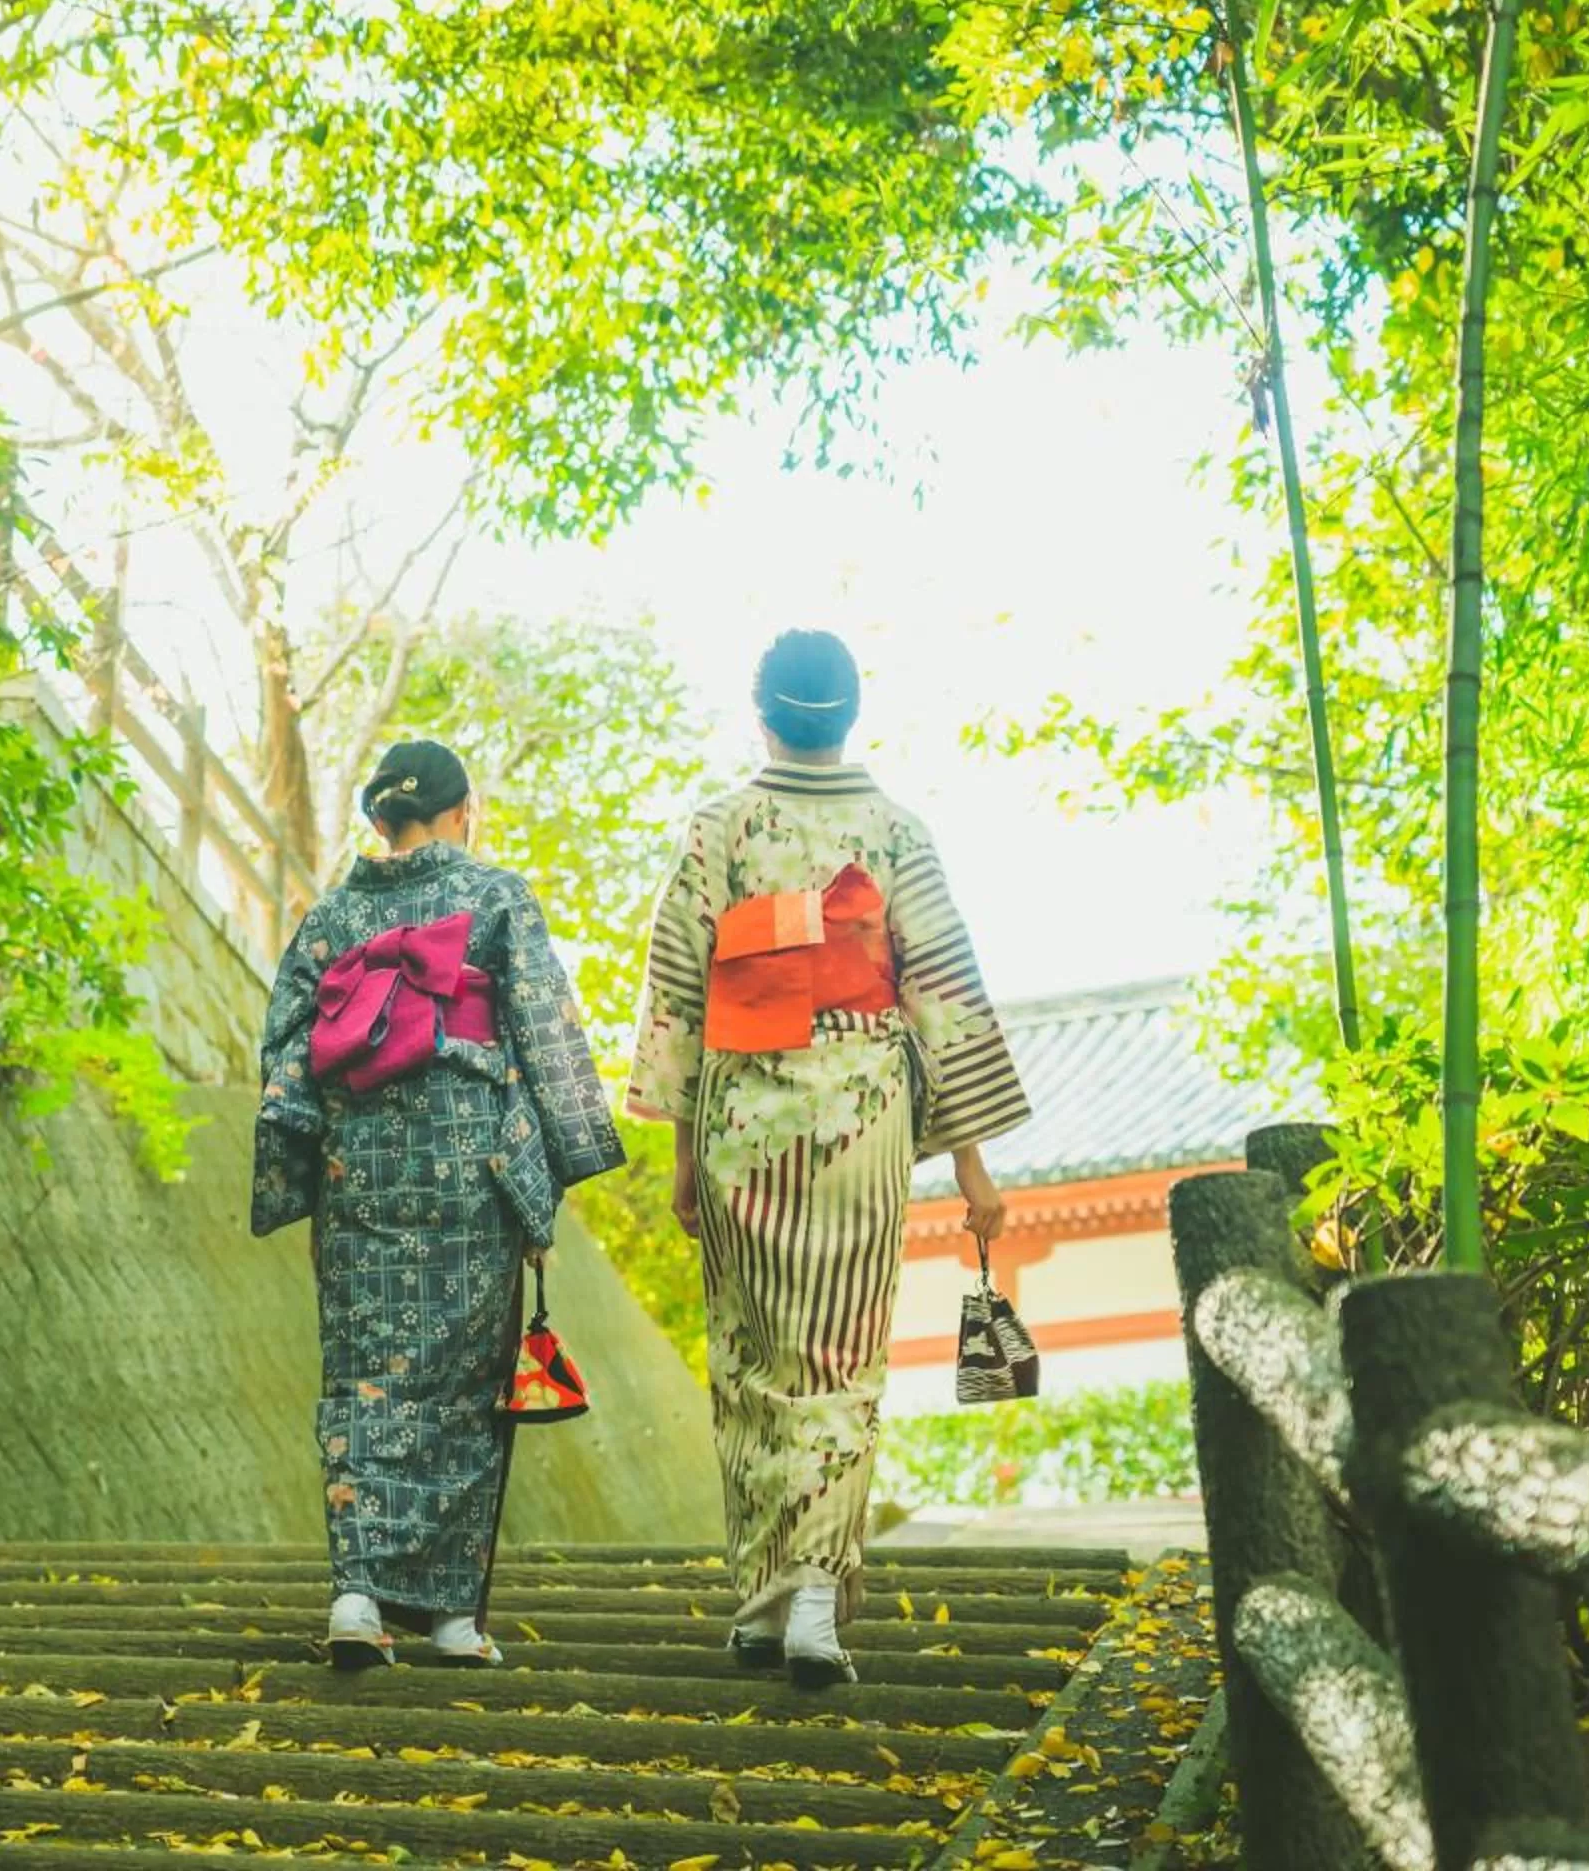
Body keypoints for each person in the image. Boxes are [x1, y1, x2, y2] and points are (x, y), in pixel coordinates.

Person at [627, 630, 1029, 1688]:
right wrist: (971, 1166)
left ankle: (770, 1595)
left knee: (754, 1356)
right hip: (861, 1110)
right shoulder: (896, 831)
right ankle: (807, 1593)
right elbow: (942, 995)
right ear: (852, 715)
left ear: (760, 712)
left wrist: (679, 1152)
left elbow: (678, 988)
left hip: (742, 1118)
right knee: (840, 1358)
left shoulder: (720, 828)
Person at [253, 739, 626, 1669]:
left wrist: (305, 1161)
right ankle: (455, 1618)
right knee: (465, 1387)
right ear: (465, 810)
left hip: (362, 1176)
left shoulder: (332, 918)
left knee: (365, 1375)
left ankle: (357, 1596)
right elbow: (545, 1036)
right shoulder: (497, 899)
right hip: (470, 1170)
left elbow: (284, 1054)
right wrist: (551, 1187)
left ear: (379, 819)